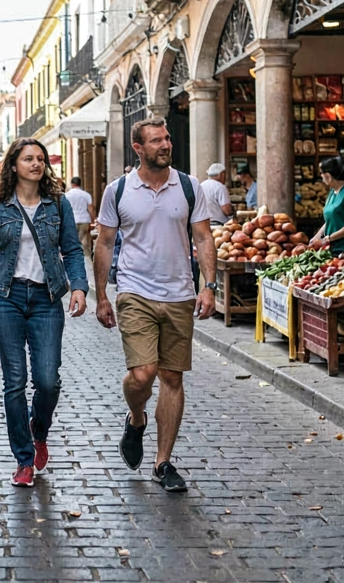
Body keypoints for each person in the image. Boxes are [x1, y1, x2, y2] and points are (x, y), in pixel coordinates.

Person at [93, 117, 215, 493]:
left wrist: (209, 286)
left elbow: (203, 237)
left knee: (172, 378)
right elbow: (104, 243)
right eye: (156, 140)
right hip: (135, 292)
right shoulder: (118, 191)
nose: (165, 145)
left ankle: (163, 463)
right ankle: (136, 418)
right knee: (143, 375)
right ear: (138, 148)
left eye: (167, 138)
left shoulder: (190, 187)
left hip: (180, 293)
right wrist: (101, 295)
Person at [0, 139, 87, 487]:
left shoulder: (58, 204)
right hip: (4, 297)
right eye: (28, 159)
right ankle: (23, 459)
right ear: (14, 165)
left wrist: (79, 286)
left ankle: (40, 429)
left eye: (40, 159)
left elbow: (73, 249)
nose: (36, 164)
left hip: (46, 297)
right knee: (15, 381)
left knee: (48, 380)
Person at [310, 156, 344, 257]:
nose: (321, 177)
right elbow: (330, 220)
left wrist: (328, 239)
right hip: (331, 248)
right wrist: (317, 237)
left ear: (328, 175)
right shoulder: (332, 193)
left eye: (321, 173)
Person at [65, 176, 94, 258]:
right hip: (84, 220)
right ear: (80, 184)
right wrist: (92, 221)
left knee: (72, 243)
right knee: (85, 243)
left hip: (71, 221)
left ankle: (74, 258)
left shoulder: (66, 196)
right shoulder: (86, 195)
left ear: (72, 184)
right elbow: (90, 208)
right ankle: (86, 260)